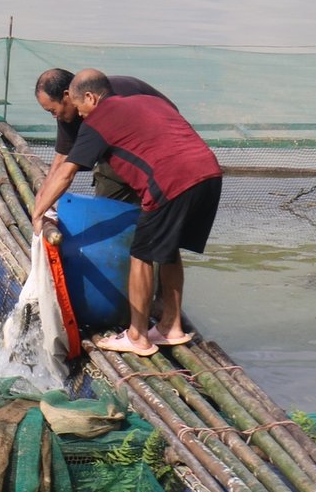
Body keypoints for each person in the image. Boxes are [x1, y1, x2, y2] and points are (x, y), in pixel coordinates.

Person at [32, 70, 222, 357]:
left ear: (89, 97)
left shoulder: (99, 119)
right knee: (168, 249)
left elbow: (66, 173)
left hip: (171, 182)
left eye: (82, 109)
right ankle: (171, 326)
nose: (82, 117)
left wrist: (38, 213)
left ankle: (137, 336)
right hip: (208, 174)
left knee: (141, 255)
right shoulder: (147, 99)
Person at [30, 67, 175, 208]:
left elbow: (67, 173)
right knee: (106, 205)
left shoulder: (115, 97)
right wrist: (42, 198)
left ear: (67, 95)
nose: (54, 116)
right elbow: (61, 158)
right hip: (115, 156)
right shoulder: (66, 115)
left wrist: (40, 212)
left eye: (53, 110)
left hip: (158, 152)